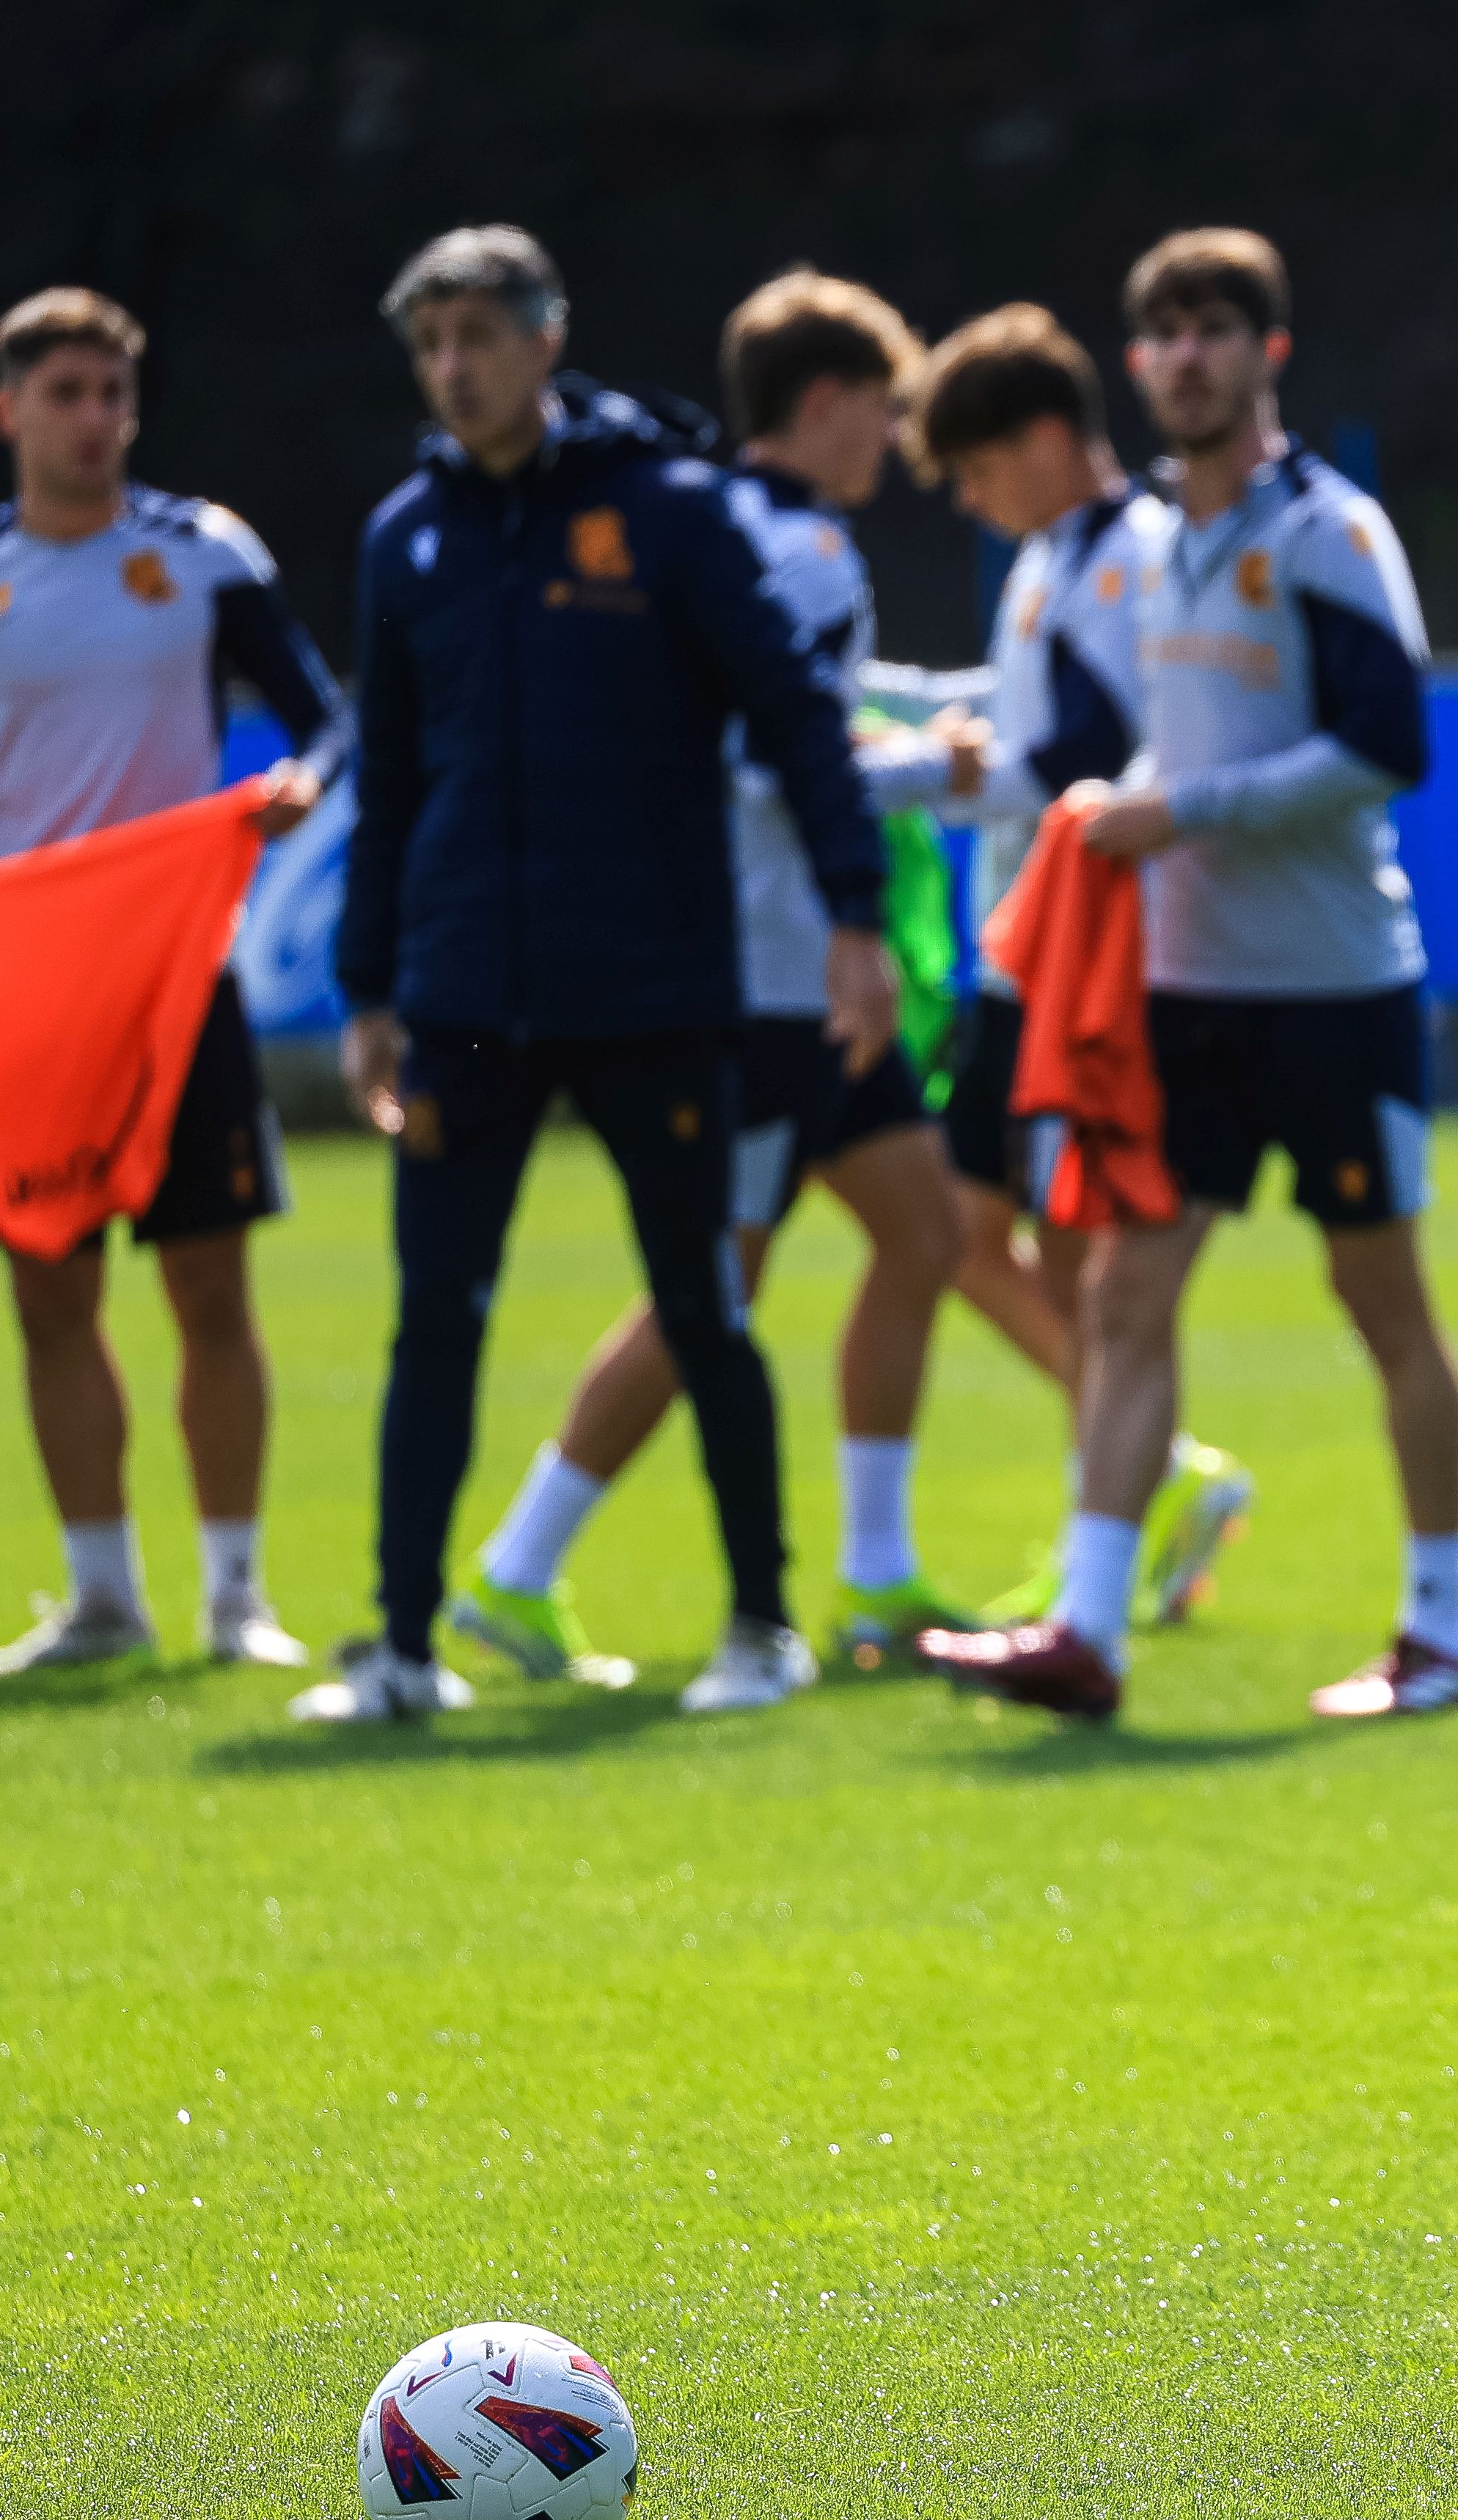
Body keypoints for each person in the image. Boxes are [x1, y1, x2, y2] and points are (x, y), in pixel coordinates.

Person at [298, 224, 899, 1723]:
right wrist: (368, 988)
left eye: (477, 337)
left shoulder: (670, 511)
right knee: (436, 1312)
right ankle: (399, 1648)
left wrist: (853, 911)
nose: (452, 369)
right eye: (429, 344)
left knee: (704, 1302)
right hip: (459, 1001)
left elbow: (796, 715)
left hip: (653, 992)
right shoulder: (404, 538)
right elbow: (385, 780)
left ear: (546, 336)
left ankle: (761, 1626)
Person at [920, 229, 1458, 1724]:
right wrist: (1125, 808)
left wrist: (1179, 809)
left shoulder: (1331, 530)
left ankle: (1444, 1627)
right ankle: (1088, 1627)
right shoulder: (1147, 543)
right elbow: (1182, 746)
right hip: (1185, 990)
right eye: (1161, 333)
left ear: (1265, 354)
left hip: (1338, 984)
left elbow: (1385, 748)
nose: (1185, 356)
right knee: (1122, 1287)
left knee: (1382, 1299)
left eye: (1214, 329)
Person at [455, 270, 983, 1688]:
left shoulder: (693, 521)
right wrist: (934, 772)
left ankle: (876, 1574)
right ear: (823, 403)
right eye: (882, 407)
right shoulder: (800, 552)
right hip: (764, 975)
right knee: (716, 1289)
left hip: (782, 966)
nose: (896, 438)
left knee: (923, 1231)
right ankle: (517, 1566)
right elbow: (762, 756)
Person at [0, 286, 335, 1677]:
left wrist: (299, 783)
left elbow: (321, 716)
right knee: (50, 1298)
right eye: (64, 396)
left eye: (112, 396)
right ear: (9, 412)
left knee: (212, 1291)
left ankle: (236, 1596)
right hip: (28, 994)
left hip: (181, 979)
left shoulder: (201, 555)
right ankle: (101, 1596)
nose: (92, 422)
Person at [896, 302, 1253, 1635]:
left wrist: (910, 779)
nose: (975, 503)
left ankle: (1140, 1493)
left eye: (981, 470)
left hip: (1088, 949)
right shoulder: (1056, 554)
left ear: (1050, 438)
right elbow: (1029, 716)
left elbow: (1103, 748)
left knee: (1036, 1239)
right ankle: (1139, 1490)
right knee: (991, 1235)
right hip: (1020, 939)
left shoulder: (1140, 554)